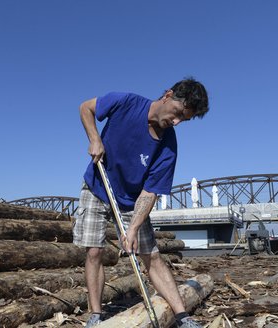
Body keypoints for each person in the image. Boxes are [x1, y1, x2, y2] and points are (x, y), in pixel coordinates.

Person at [73, 78, 209, 328]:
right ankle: (96, 315)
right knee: (94, 250)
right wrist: (95, 138)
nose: (176, 122)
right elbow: (86, 107)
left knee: (152, 256)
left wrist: (133, 227)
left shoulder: (168, 145)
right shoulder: (126, 102)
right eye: (178, 113)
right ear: (168, 95)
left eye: (184, 120)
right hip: (97, 184)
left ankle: (183, 317)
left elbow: (150, 192)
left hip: (131, 199)